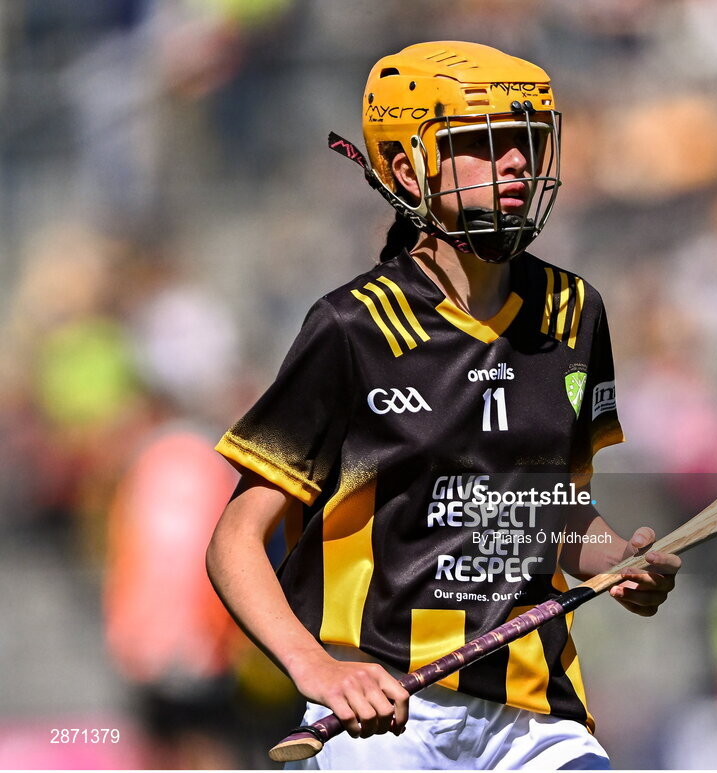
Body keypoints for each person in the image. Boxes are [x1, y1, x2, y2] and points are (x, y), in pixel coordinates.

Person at [206, 40, 680, 770]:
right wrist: (317, 669)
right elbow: (235, 541)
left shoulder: (573, 312)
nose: (517, 162)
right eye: (485, 145)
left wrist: (614, 559)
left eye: (526, 141)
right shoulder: (353, 328)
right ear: (408, 169)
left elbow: (545, 510)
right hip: (385, 715)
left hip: (533, 714)